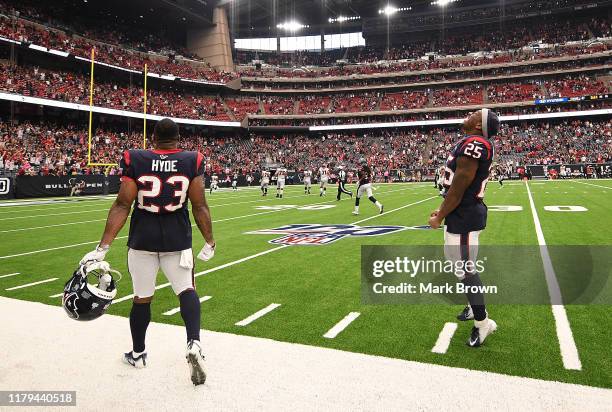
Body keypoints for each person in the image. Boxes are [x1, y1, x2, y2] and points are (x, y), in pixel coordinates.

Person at [79, 118, 215, 385]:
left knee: (142, 297)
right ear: (178, 139)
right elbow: (200, 205)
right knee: (186, 290)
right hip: (177, 237)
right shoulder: (192, 159)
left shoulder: (136, 158)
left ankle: (138, 353)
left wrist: (103, 246)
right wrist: (209, 240)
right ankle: (194, 343)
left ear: (153, 137)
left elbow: (122, 204)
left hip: (142, 237)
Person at [428, 109, 499, 348]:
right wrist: (443, 212)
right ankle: (472, 306)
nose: (469, 114)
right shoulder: (472, 141)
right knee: (456, 264)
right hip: (461, 214)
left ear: (480, 125)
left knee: (467, 271)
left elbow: (458, 187)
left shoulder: (475, 143)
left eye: (475, 114)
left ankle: (483, 323)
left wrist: (440, 216)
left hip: (465, 215)